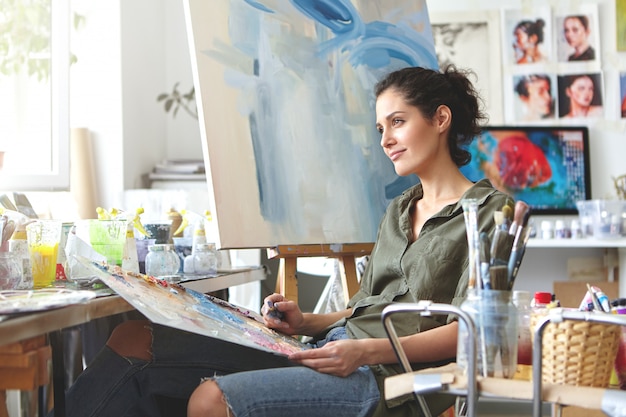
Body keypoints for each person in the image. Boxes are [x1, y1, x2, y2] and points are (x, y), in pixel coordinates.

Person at [52, 66, 511, 417]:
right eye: (380, 129)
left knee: (209, 400)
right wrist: (306, 322)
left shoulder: (492, 211)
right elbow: (365, 308)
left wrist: (365, 351)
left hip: (390, 378)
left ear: (440, 119)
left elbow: (475, 330)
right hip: (331, 348)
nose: (386, 139)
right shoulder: (398, 210)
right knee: (133, 337)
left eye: (397, 122)